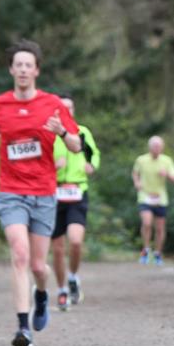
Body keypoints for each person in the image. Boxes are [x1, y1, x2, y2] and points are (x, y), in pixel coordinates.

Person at [0, 40, 81, 346]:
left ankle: (41, 294)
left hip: (44, 193)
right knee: (19, 254)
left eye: (28, 65)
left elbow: (77, 145)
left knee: (38, 266)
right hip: (11, 192)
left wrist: (61, 131)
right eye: (17, 64)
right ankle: (23, 326)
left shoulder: (52, 104)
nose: (22, 69)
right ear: (11, 69)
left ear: (36, 70)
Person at [51, 94, 100, 309]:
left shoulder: (82, 131)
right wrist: (54, 166)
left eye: (70, 108)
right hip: (54, 192)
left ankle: (73, 276)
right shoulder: (50, 133)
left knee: (76, 240)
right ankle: (62, 289)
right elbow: (40, 159)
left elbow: (93, 153)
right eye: (63, 108)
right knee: (58, 248)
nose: (67, 111)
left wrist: (91, 165)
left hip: (78, 191)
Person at [132, 136, 174, 266]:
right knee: (146, 223)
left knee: (159, 228)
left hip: (160, 198)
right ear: (150, 147)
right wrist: (137, 182)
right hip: (145, 196)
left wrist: (167, 175)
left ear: (162, 148)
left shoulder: (167, 161)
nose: (157, 149)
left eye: (159, 146)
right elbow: (135, 172)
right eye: (154, 146)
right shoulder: (141, 160)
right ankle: (146, 249)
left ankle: (158, 253)